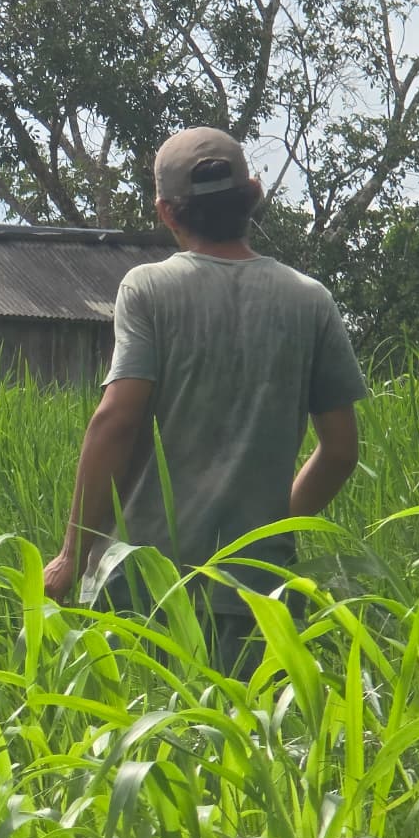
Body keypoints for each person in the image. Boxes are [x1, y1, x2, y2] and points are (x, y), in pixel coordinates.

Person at [42, 126, 366, 677]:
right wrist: (269, 528)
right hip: (259, 592)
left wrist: (72, 556)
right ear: (254, 195)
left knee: (143, 730)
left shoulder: (148, 289)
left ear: (166, 212)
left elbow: (117, 420)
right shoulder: (310, 300)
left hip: (143, 587)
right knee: (249, 730)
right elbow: (339, 452)